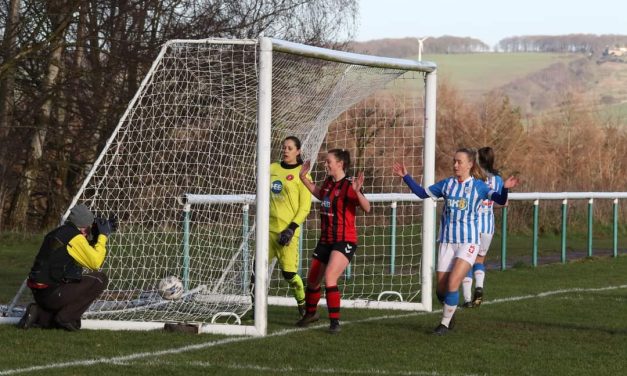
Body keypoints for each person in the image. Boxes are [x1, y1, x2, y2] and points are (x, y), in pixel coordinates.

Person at [393, 148, 518, 335]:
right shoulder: (447, 184)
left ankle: (444, 325)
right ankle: (450, 313)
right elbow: (421, 193)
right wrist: (406, 176)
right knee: (441, 292)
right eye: (454, 161)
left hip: (468, 242)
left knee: (453, 284)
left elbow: (499, 198)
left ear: (470, 164)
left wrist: (505, 188)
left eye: (459, 162)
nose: (455, 165)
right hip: (447, 242)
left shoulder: (479, 186)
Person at [296, 149, 370, 333]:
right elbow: (321, 194)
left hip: (344, 240)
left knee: (330, 277)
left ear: (340, 164)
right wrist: (303, 178)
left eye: (328, 161)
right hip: (326, 239)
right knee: (313, 280)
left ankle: (334, 322)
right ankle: (311, 314)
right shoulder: (329, 182)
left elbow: (367, 207)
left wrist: (358, 192)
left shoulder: (349, 185)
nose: (325, 164)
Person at [17, 203, 112, 331]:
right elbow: (95, 263)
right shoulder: (75, 239)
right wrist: (102, 237)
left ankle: (39, 314)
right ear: (84, 227)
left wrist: (95, 238)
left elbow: (76, 253)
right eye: (90, 226)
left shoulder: (59, 233)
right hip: (53, 293)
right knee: (100, 279)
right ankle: (66, 318)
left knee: (70, 311)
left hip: (41, 293)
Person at [268, 136, 312, 317]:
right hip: (268, 230)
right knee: (256, 273)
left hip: (287, 233)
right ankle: (255, 311)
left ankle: (303, 303)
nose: (286, 150)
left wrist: (291, 228)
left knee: (289, 274)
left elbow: (305, 208)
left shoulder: (303, 175)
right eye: (284, 147)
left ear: (298, 151)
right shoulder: (272, 168)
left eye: (290, 148)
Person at [462, 146, 504, 308]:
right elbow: (503, 203)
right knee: (479, 259)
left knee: (466, 260)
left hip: (471, 224)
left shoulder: (474, 177)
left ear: (477, 160)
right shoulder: (498, 179)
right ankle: (478, 289)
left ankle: (466, 299)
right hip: (488, 226)